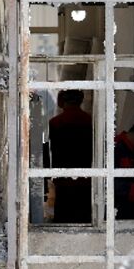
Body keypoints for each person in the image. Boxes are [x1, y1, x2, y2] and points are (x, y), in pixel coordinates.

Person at [46, 89, 93, 223]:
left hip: (63, 177)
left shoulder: (55, 122)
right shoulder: (90, 120)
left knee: (64, 216)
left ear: (61, 102)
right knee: (84, 216)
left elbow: (51, 150)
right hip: (88, 176)